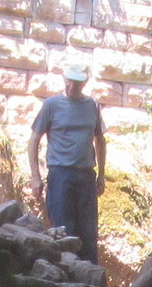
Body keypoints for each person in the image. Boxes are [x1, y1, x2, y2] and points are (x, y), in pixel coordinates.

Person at [29, 65, 106, 264]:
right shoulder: (51, 105)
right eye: (69, 81)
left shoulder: (92, 105)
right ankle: (64, 276)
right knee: (63, 231)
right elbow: (34, 140)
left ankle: (90, 276)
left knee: (88, 233)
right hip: (60, 174)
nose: (72, 86)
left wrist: (101, 174)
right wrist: (35, 177)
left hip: (86, 175)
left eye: (77, 82)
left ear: (85, 83)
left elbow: (100, 140)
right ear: (64, 79)